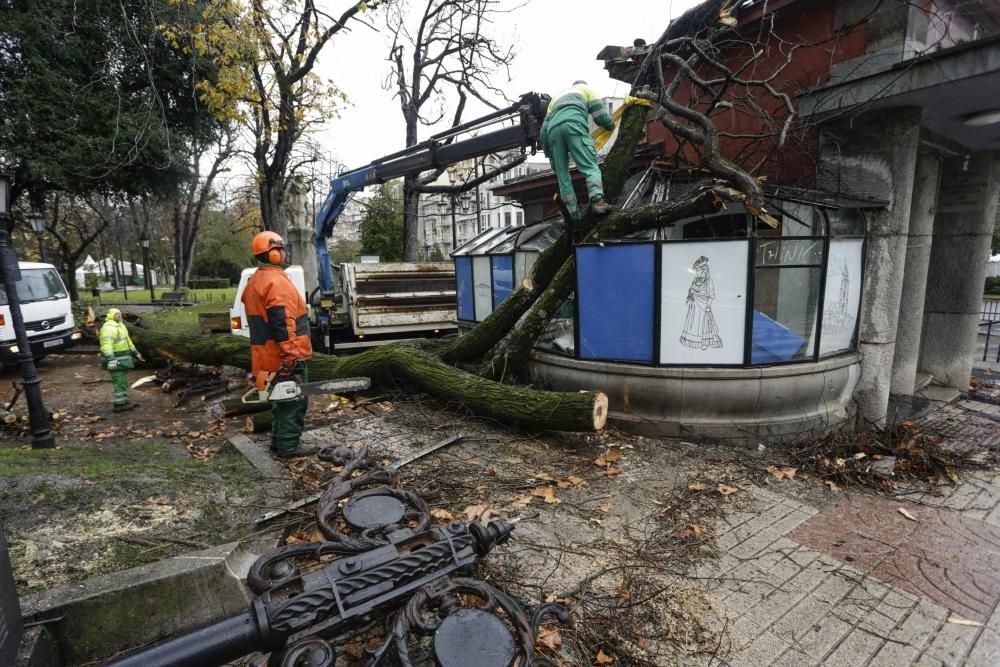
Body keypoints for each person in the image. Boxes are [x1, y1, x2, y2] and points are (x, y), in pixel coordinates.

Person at [242, 231, 313, 457]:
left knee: (280, 401)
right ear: (272, 253)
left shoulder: (255, 281)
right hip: (284, 354)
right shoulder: (275, 282)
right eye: (280, 249)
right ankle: (289, 445)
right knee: (294, 401)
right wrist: (291, 356)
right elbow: (282, 322)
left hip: (265, 355)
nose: (284, 253)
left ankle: (278, 441)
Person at [539, 80, 616, 220]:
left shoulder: (556, 98)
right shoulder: (586, 89)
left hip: (553, 133)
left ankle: (571, 214)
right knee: (590, 167)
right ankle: (598, 201)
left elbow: (543, 132)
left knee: (563, 176)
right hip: (574, 125)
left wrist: (548, 153)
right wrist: (610, 125)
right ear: (583, 83)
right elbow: (600, 115)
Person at [99, 308, 144, 412]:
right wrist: (111, 359)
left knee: (122, 381)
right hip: (115, 361)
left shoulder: (120, 325)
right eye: (116, 314)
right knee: (119, 382)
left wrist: (136, 353)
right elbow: (106, 345)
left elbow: (128, 341)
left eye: (119, 314)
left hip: (121, 360)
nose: (119, 316)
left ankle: (124, 401)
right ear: (111, 316)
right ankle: (119, 405)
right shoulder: (109, 328)